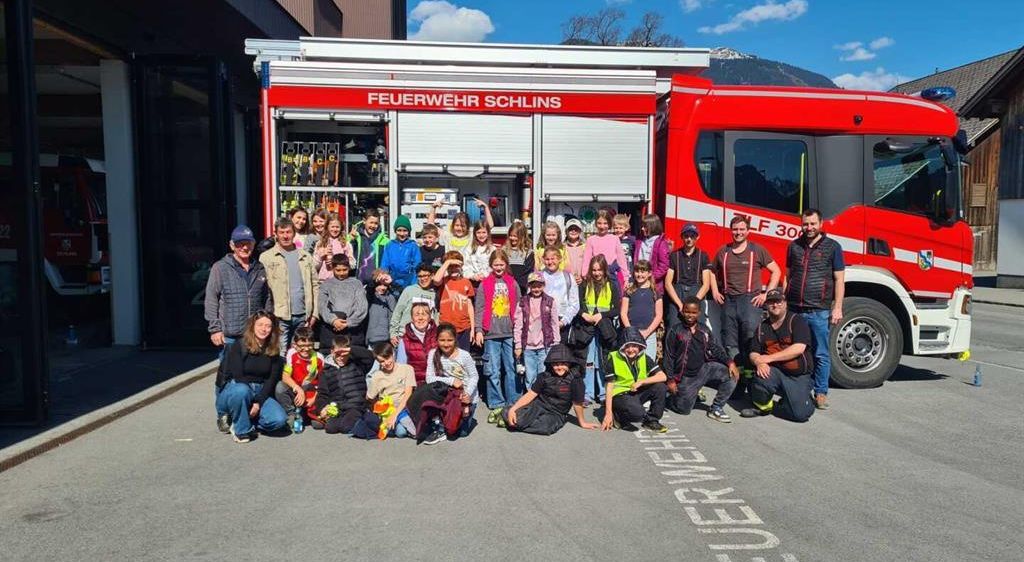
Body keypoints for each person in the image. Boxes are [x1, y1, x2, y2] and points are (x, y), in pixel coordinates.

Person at [785, 208, 845, 410]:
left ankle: (820, 392)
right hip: (795, 309)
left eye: (812, 223)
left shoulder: (833, 247)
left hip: (818, 311)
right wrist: (783, 302)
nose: (809, 227)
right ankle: (796, 389)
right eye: (805, 224)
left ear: (821, 224)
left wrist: (837, 307)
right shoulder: (794, 246)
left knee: (821, 353)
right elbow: (788, 275)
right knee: (795, 352)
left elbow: (839, 279)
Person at [710, 215, 781, 365]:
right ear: (731, 231)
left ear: (748, 231)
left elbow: (776, 271)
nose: (738, 232)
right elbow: (711, 271)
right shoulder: (723, 251)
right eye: (735, 229)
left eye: (742, 229)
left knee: (750, 337)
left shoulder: (757, 250)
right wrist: (715, 291)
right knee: (729, 340)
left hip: (750, 301)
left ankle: (750, 372)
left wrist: (766, 294)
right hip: (729, 300)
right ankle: (736, 372)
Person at [740, 289, 816, 422]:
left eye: (778, 301)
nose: (775, 305)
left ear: (785, 303)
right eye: (771, 302)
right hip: (775, 372)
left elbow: (799, 348)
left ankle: (800, 396)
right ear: (766, 305)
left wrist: (768, 358)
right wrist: (758, 361)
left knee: (801, 415)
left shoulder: (796, 321)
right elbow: (753, 352)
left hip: (797, 376)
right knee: (760, 376)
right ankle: (763, 408)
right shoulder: (762, 327)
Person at [215, 311, 289, 443]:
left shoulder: (273, 349)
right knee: (242, 390)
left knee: (279, 420)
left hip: (260, 390)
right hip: (237, 388)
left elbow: (271, 380)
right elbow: (238, 376)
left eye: (268, 326)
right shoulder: (239, 345)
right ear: (252, 326)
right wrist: (252, 401)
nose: (264, 329)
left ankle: (245, 420)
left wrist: (258, 402)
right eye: (260, 325)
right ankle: (241, 431)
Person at [663, 297, 739, 422]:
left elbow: (715, 348)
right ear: (682, 311)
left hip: (704, 369)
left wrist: (730, 362)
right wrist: (670, 380)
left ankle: (716, 408)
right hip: (685, 376)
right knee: (683, 410)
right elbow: (669, 356)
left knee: (732, 374)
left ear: (699, 313)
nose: (690, 315)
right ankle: (672, 397)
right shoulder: (675, 330)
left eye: (693, 312)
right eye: (687, 311)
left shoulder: (704, 329)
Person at [204, 224, 270, 362]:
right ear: (232, 245)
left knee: (255, 372)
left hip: (255, 334)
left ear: (253, 245)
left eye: (248, 243)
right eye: (240, 244)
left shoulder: (259, 268)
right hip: (230, 336)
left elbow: (267, 298)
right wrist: (215, 329)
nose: (245, 247)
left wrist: (267, 322)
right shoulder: (220, 268)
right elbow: (211, 299)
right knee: (229, 373)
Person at [501, 344, 598, 434]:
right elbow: (531, 394)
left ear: (569, 363)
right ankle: (511, 415)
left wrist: (582, 422)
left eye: (563, 363)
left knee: (546, 427)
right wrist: (513, 409)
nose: (559, 367)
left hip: (557, 413)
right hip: (538, 405)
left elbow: (577, 403)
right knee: (514, 416)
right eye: (556, 364)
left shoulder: (575, 380)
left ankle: (516, 423)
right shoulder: (544, 376)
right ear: (551, 364)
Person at [474, 250, 522, 421]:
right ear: (491, 265)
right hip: (491, 333)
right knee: (493, 370)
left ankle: (513, 401)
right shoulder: (485, 284)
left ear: (506, 265)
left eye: (502, 264)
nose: (499, 267)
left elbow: (519, 308)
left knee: (511, 368)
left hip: (509, 332)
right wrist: (478, 330)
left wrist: (519, 331)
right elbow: (479, 308)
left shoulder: (512, 283)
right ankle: (496, 403)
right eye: (496, 265)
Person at [260, 217, 319, 354]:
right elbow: (263, 289)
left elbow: (315, 285)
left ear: (294, 233)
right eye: (282, 232)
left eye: (288, 232)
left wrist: (314, 313)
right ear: (276, 234)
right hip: (279, 316)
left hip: (303, 315)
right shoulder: (266, 257)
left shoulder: (305, 256)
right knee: (279, 353)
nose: (285, 236)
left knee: (300, 353)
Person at [418, 323, 480, 445]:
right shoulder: (433, 354)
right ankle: (440, 424)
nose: (446, 344)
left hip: (466, 395)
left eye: (450, 340)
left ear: (455, 339)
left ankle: (459, 414)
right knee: (427, 389)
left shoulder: (464, 355)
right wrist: (451, 381)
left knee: (461, 433)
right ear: (437, 340)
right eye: (442, 340)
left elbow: (474, 376)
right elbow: (429, 378)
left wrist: (468, 394)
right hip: (449, 393)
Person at [600, 327, 667, 433]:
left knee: (660, 387)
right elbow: (609, 387)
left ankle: (651, 421)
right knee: (638, 414)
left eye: (634, 346)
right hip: (619, 396)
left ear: (640, 346)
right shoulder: (613, 358)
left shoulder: (644, 357)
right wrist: (607, 414)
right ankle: (617, 415)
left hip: (635, 391)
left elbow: (662, 376)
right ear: (622, 346)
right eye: (627, 346)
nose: (631, 350)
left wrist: (642, 382)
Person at [574, 254, 621, 406]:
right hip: (587, 327)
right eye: (594, 270)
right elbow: (577, 305)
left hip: (604, 328)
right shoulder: (584, 284)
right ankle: (587, 393)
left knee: (602, 360)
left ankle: (602, 392)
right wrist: (584, 314)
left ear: (604, 269)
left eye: (599, 270)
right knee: (588, 361)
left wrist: (602, 315)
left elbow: (617, 309)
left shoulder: (611, 284)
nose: (596, 273)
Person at [351, 342, 418, 439]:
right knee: (398, 431)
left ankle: (398, 424)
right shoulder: (377, 376)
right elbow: (369, 397)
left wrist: (394, 415)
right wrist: (379, 407)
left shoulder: (407, 369)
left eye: (387, 358)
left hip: (404, 407)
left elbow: (408, 394)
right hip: (387, 410)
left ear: (393, 354)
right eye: (382, 361)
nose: (386, 363)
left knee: (401, 432)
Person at [314, 335, 376, 434]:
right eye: (338, 355)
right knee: (330, 428)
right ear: (332, 352)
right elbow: (322, 394)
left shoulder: (357, 364)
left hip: (355, 406)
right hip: (337, 407)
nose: (341, 358)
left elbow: (370, 356)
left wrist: (350, 349)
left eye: (344, 355)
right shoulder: (326, 370)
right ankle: (328, 421)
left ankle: (365, 418)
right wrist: (322, 408)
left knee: (346, 427)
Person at [514, 272, 560, 388]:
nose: (536, 289)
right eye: (533, 286)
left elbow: (554, 323)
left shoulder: (550, 301)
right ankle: (530, 396)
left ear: (543, 286)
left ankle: (543, 396)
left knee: (543, 374)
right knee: (530, 376)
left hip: (544, 345)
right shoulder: (522, 302)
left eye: (539, 286)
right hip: (528, 346)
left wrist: (556, 342)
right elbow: (518, 325)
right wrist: (518, 345)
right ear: (529, 286)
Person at [664, 223, 713, 334]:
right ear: (682, 237)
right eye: (686, 236)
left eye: (692, 236)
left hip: (696, 294)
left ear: (697, 237)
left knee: (698, 330)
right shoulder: (674, 255)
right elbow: (668, 283)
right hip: (677, 295)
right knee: (673, 327)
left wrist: (694, 303)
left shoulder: (703, 256)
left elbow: (706, 284)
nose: (689, 239)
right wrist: (680, 305)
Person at [275, 326, 323, 433]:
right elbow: (285, 376)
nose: (306, 349)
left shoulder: (319, 357)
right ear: (295, 345)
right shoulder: (291, 353)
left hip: (312, 395)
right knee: (280, 387)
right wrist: (298, 388)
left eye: (309, 345)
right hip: (296, 392)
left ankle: (306, 415)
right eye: (302, 346)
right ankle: (291, 413)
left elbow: (323, 384)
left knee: (318, 425)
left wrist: (314, 399)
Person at [318, 254, 368, 348]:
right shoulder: (326, 285)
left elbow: (362, 307)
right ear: (332, 268)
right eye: (338, 270)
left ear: (349, 268)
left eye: (345, 270)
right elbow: (322, 306)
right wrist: (333, 320)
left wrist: (349, 322)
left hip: (353, 332)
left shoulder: (356, 284)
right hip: (331, 330)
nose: (341, 273)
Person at [621, 260, 663, 360]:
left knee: (648, 362)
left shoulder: (655, 292)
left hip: (649, 335)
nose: (639, 275)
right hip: (631, 334)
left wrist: (647, 332)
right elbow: (623, 313)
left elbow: (659, 315)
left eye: (643, 272)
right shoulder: (629, 291)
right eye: (637, 271)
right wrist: (631, 331)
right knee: (631, 362)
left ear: (649, 273)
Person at [433, 251, 475, 350]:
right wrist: (448, 262)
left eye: (456, 266)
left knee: (463, 355)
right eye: (451, 266)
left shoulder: (466, 282)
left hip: (464, 327)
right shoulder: (444, 281)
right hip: (446, 327)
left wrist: (472, 329)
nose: (453, 269)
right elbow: (436, 280)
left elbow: (469, 306)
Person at [389, 263, 438, 344]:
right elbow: (397, 312)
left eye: (425, 275)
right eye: (420, 276)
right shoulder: (409, 290)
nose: (423, 279)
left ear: (432, 276)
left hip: (426, 339)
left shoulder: (435, 294)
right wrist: (393, 333)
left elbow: (436, 317)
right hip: (405, 336)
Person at [539, 246, 579, 342]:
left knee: (561, 350)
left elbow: (574, 303)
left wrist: (563, 321)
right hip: (542, 320)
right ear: (543, 260)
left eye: (553, 259)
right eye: (547, 259)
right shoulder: (539, 277)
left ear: (560, 259)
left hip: (562, 320)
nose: (550, 262)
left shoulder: (568, 277)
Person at [395, 302, 439, 386]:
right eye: (417, 314)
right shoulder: (404, 341)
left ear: (429, 317)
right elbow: (401, 369)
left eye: (424, 314)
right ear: (412, 318)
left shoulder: (439, 336)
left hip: (437, 384)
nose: (420, 318)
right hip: (415, 385)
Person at [582, 209, 628, 289]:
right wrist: (584, 274)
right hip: (596, 276)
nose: (602, 226)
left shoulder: (615, 239)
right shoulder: (591, 240)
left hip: (611, 276)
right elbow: (587, 259)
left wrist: (626, 277)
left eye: (605, 223)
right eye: (599, 223)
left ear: (609, 224)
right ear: (596, 224)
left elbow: (621, 260)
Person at [380, 214, 420, 289]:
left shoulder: (413, 246)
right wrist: (384, 277)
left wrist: (414, 283)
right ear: (395, 231)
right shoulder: (390, 245)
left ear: (409, 231)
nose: (402, 234)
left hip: (409, 279)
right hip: (392, 279)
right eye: (399, 230)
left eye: (405, 231)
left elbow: (417, 265)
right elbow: (385, 264)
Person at [634, 214, 671, 294]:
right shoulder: (639, 241)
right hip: (638, 280)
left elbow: (664, 265)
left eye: (645, 227)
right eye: (642, 226)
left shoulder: (661, 243)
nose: (642, 229)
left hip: (653, 284)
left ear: (653, 227)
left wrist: (652, 277)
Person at [351, 208, 388, 285]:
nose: (373, 226)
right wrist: (351, 239)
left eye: (376, 223)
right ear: (364, 221)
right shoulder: (356, 237)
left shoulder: (384, 240)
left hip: (376, 282)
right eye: (371, 222)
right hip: (358, 281)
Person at [366, 269, 399, 349]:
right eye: (379, 285)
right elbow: (369, 289)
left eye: (385, 285)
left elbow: (399, 292)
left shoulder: (391, 297)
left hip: (389, 340)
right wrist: (375, 281)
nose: (383, 288)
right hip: (372, 339)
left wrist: (392, 282)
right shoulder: (370, 296)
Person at [313, 214, 353, 281]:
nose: (335, 229)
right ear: (327, 227)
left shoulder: (345, 243)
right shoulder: (321, 243)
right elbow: (314, 266)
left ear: (341, 228)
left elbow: (352, 264)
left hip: (340, 279)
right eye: (332, 227)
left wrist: (339, 263)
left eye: (337, 227)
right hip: (324, 280)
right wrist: (321, 256)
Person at [504, 221, 534, 293]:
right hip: (506, 287)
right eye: (511, 235)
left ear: (522, 237)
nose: (512, 238)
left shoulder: (528, 253)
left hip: (521, 289)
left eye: (515, 236)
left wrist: (516, 284)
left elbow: (528, 273)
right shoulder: (504, 251)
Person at [612, 212, 636, 285]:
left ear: (626, 228)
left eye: (621, 228)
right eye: (616, 228)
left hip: (629, 271)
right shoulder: (611, 240)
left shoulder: (631, 240)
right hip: (615, 271)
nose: (618, 230)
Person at [563, 218, 587, 284]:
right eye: (570, 229)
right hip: (566, 282)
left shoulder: (586, 246)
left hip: (583, 282)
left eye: (576, 229)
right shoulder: (561, 247)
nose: (573, 231)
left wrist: (583, 277)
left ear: (580, 231)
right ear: (566, 232)